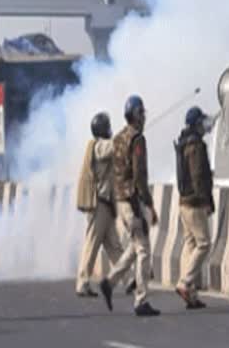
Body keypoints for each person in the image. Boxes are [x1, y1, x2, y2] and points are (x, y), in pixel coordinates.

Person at [99, 95, 160, 317]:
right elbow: (139, 176)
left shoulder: (117, 138)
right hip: (132, 201)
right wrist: (150, 206)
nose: (144, 116)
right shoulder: (137, 140)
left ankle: (110, 282)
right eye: (141, 113)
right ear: (136, 115)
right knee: (144, 250)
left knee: (135, 247)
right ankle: (141, 300)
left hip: (120, 201)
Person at [75, 112, 125, 297]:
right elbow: (112, 147)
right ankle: (82, 282)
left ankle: (128, 279)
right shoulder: (99, 147)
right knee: (92, 244)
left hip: (106, 205)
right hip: (100, 205)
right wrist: (128, 135)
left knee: (114, 245)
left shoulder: (98, 146)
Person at [174, 107, 215, 310]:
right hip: (194, 202)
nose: (204, 125)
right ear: (195, 124)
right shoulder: (196, 145)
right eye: (201, 122)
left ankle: (190, 295)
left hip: (184, 202)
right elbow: (198, 175)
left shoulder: (183, 142)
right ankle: (185, 282)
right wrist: (206, 200)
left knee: (190, 246)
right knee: (204, 244)